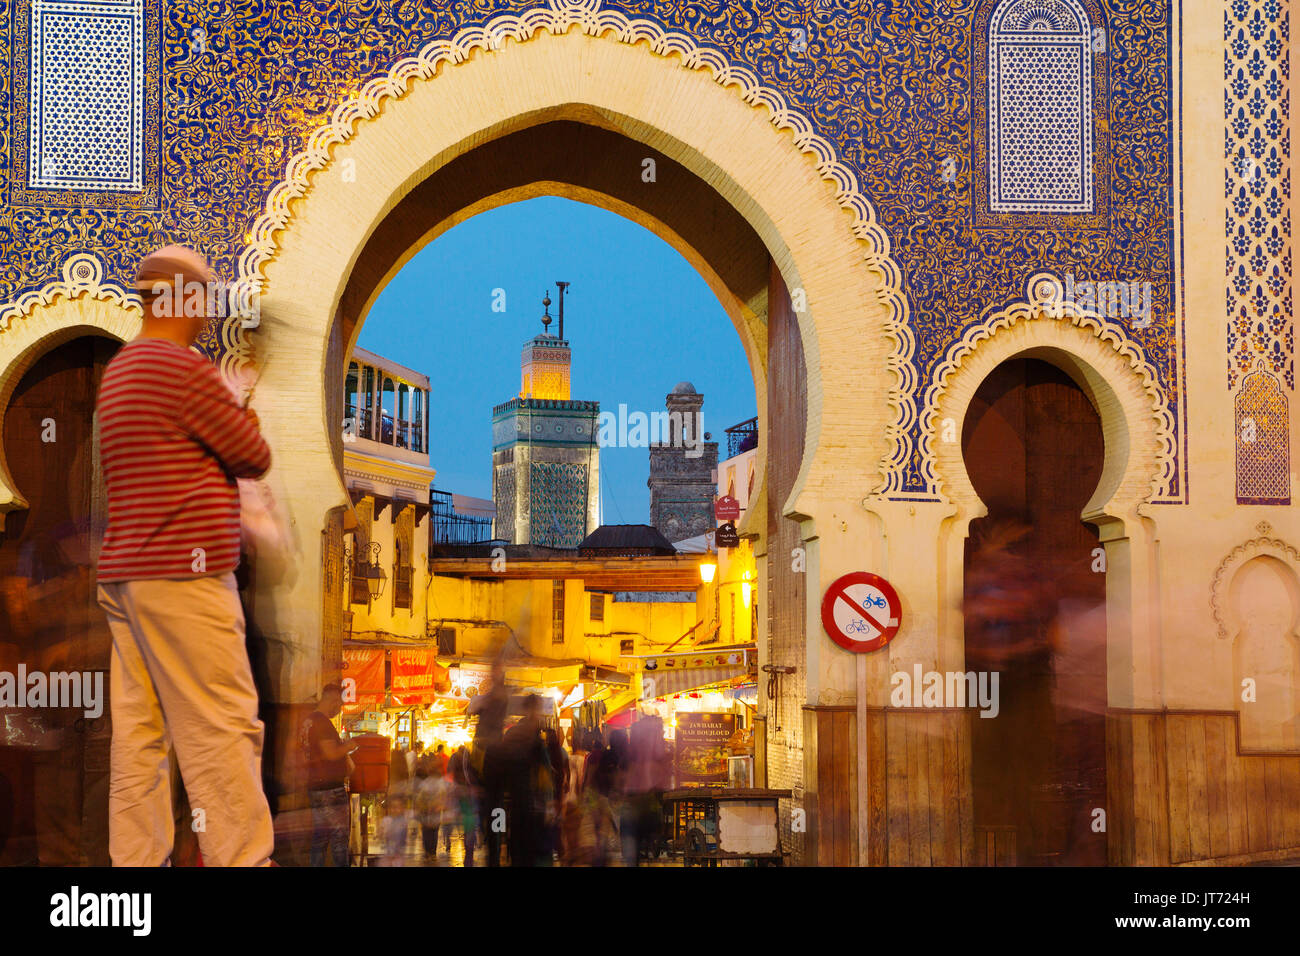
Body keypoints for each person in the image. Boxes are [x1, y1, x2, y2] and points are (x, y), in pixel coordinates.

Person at [95, 246, 274, 867]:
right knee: (221, 729)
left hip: (125, 579)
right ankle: (243, 859)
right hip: (184, 575)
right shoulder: (182, 369)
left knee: (140, 740)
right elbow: (252, 453)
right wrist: (236, 394)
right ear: (183, 299)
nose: (205, 313)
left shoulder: (119, 370)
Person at [302, 683, 359, 866]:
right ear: (333, 701)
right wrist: (348, 746)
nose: (339, 708)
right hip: (330, 788)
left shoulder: (308, 721)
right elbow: (330, 753)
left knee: (320, 837)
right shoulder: (322, 722)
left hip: (315, 786)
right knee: (339, 837)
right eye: (339, 704)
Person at [498, 695, 553, 866]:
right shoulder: (534, 738)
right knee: (530, 850)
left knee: (517, 846)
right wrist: (549, 803)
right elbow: (546, 773)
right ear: (533, 710)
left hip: (514, 802)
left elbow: (502, 768)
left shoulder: (510, 735)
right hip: (532, 804)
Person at [467, 659, 509, 866]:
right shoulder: (484, 751)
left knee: (494, 816)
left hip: (493, 786)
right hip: (491, 789)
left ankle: (496, 848)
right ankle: (495, 847)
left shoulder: (498, 699)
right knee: (493, 817)